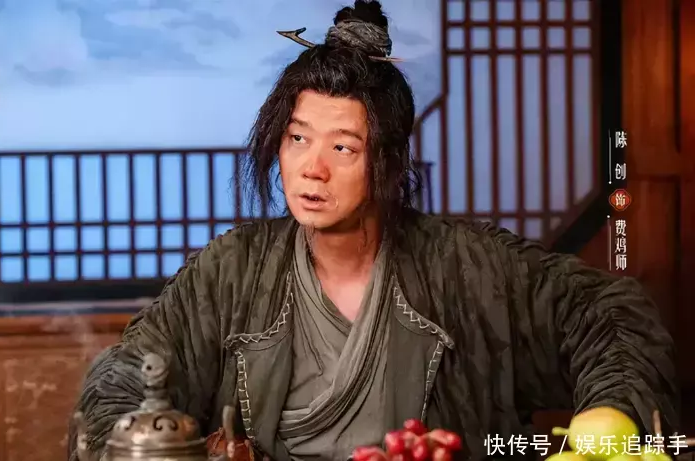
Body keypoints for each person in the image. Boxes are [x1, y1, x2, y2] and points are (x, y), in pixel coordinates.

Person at [68, 1, 679, 460]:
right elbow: (130, 371)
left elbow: (609, 313)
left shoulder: (469, 266)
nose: (312, 167)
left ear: (387, 162)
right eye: (298, 138)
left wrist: (613, 418)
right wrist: (129, 439)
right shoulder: (232, 269)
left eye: (343, 146)